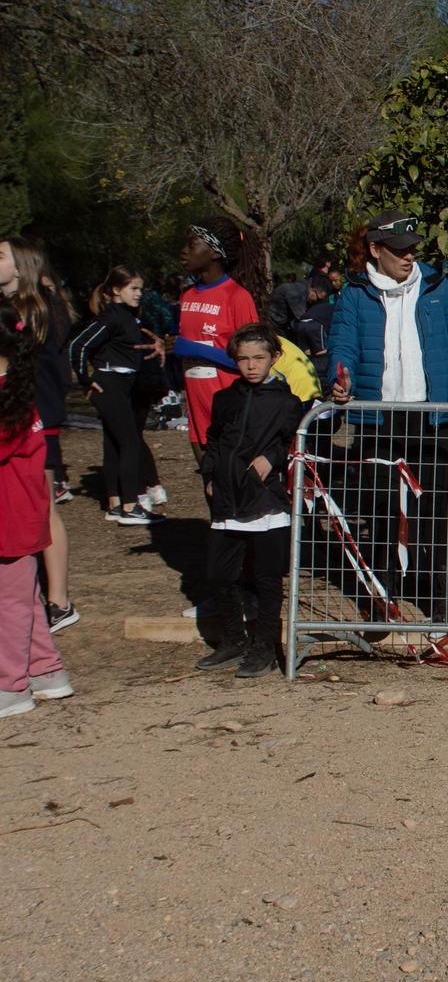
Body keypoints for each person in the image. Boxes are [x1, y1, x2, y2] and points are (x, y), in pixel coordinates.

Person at [325, 212, 448, 630]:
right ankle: (381, 597)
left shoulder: (436, 286)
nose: (409, 256)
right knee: (382, 511)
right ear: (375, 250)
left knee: (435, 513)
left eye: (412, 248)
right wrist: (339, 381)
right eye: (399, 250)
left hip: (430, 417)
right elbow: (342, 345)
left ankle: (442, 599)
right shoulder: (356, 293)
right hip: (378, 419)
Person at [194, 325, 305, 679]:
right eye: (243, 359)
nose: (251, 366)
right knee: (218, 573)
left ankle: (265, 647)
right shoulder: (225, 398)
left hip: (266, 501)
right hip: (228, 498)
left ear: (274, 358)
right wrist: (210, 475)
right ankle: (233, 638)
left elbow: (293, 439)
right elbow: (213, 439)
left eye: (259, 358)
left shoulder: (287, 402)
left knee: (268, 578)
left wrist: (270, 458)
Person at [0, 237, 78, 631]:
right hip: (20, 417)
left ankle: (59, 601)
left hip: (36, 420)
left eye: (0, 257)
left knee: (44, 509)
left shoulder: (37, 310)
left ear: (22, 267)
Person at [0, 307, 72, 717]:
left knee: (8, 604)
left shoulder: (10, 397)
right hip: (20, 514)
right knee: (23, 598)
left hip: (10, 518)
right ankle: (46, 671)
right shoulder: (18, 391)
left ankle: (10, 687)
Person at [70, 267, 164, 525]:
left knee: (114, 444)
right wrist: (85, 379)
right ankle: (130, 505)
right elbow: (79, 344)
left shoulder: (129, 316)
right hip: (109, 383)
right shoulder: (111, 317)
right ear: (115, 290)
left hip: (123, 385)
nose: (139, 294)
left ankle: (114, 503)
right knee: (130, 442)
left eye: (140, 289)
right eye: (133, 289)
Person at [174, 218, 265, 455]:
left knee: (230, 486)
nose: (184, 250)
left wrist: (195, 349)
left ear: (214, 253)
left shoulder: (237, 297)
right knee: (208, 485)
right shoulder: (187, 296)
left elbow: (253, 361)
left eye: (192, 245)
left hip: (229, 412)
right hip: (196, 409)